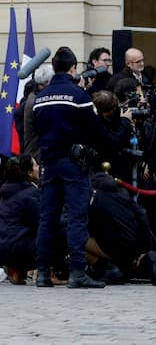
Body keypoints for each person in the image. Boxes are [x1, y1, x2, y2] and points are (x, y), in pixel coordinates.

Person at [32, 46, 107, 288]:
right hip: (74, 163)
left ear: (54, 68)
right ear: (73, 68)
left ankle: (42, 272)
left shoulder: (41, 97)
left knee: (48, 219)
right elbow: (96, 130)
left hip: (49, 163)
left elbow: (36, 129)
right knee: (76, 218)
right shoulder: (79, 96)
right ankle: (77, 272)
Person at [0, 156, 41, 284]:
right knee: (58, 231)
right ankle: (52, 272)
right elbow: (43, 221)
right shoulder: (29, 193)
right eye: (35, 166)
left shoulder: (7, 191)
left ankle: (16, 270)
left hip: (4, 246)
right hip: (20, 248)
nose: (38, 168)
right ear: (29, 172)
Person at [22, 63, 55, 161]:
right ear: (46, 83)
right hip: (37, 154)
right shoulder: (36, 102)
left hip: (36, 152)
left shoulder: (34, 96)